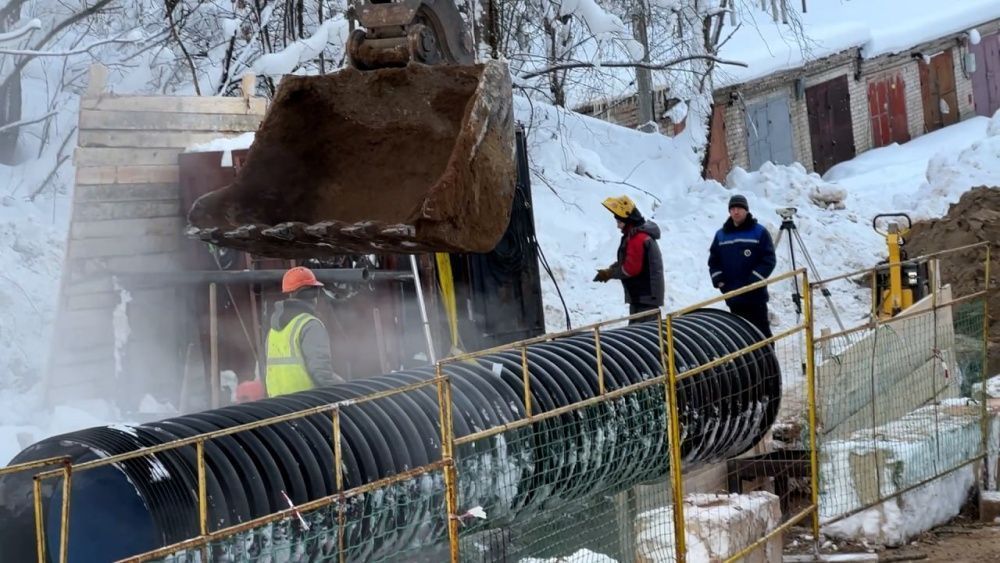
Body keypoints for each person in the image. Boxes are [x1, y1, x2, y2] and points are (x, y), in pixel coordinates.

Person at [265, 266, 345, 397]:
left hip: (278, 408)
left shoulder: (273, 330)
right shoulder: (310, 325)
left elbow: (266, 372)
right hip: (306, 406)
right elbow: (321, 373)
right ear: (313, 295)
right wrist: (344, 389)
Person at [708, 194, 777, 338]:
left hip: (755, 295)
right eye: (732, 208)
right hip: (733, 296)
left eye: (739, 208)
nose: (736, 212)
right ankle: (749, 361)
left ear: (746, 210)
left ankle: (768, 360)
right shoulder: (721, 235)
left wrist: (754, 280)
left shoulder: (759, 232)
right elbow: (714, 260)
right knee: (741, 336)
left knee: (761, 334)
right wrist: (719, 281)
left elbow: (769, 259)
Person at [593, 195, 665, 324]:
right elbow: (628, 261)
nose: (618, 226)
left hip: (645, 296)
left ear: (628, 220)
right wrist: (610, 270)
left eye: (619, 222)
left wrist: (610, 273)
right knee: (640, 336)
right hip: (643, 297)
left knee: (643, 338)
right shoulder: (636, 235)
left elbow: (630, 269)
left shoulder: (638, 238)